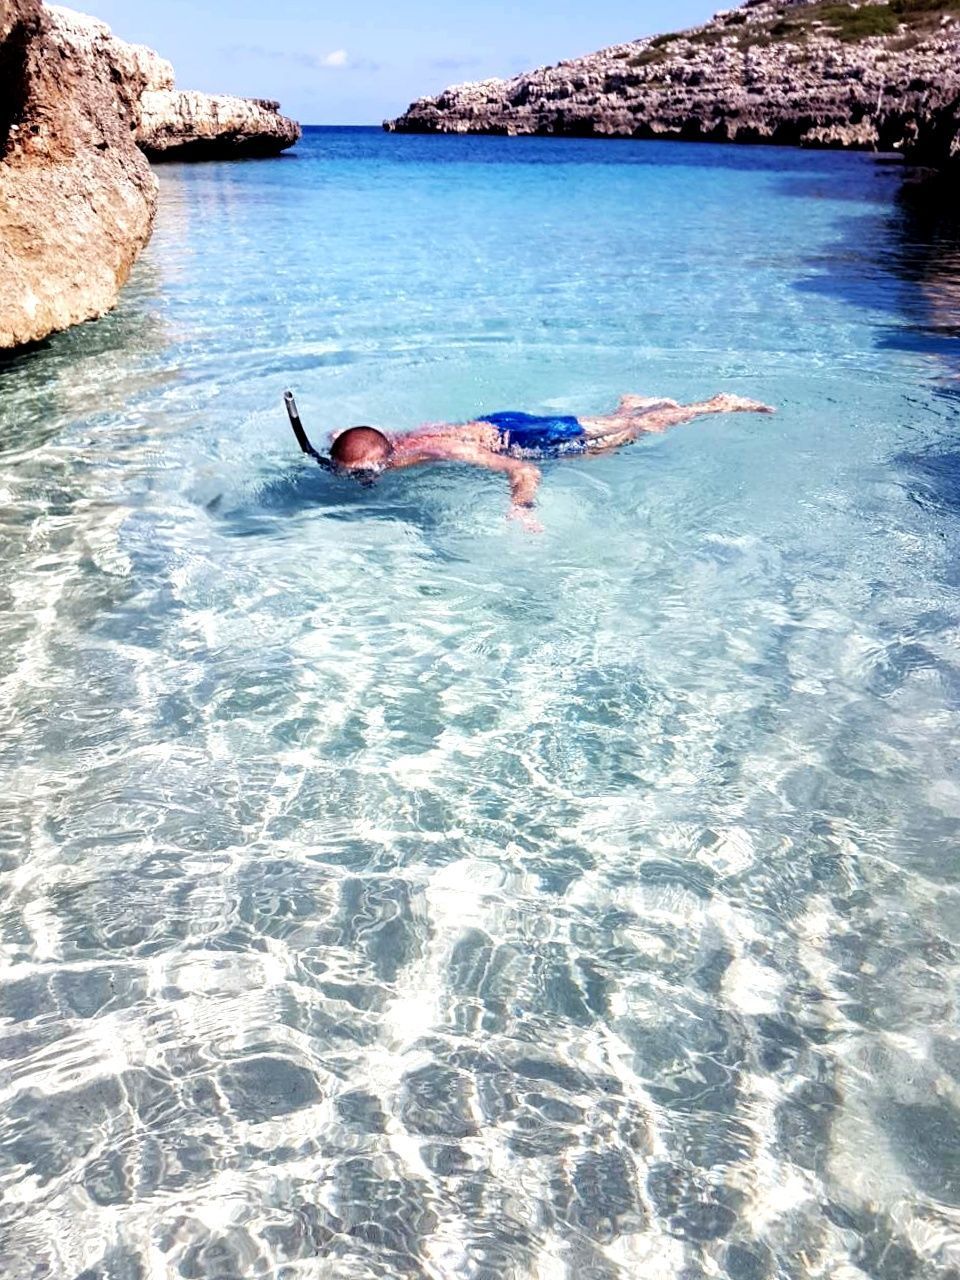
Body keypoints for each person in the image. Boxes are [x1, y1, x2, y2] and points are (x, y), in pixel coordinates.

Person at [288, 392, 774, 530]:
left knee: (622, 438)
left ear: (381, 462)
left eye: (362, 477)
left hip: (524, 440)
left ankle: (712, 405)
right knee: (608, 433)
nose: (358, 481)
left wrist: (520, 510)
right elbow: (350, 438)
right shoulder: (382, 445)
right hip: (491, 423)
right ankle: (631, 402)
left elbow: (524, 469)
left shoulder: (439, 450)